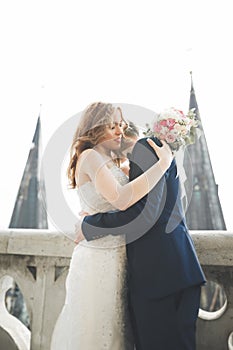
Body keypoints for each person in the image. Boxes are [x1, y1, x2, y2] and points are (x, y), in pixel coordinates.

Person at [50, 102, 173, 350]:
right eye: (112, 125)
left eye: (122, 124)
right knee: (97, 331)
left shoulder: (110, 160)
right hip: (98, 259)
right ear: (95, 127)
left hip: (117, 255)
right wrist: (162, 165)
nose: (120, 130)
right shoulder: (90, 156)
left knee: (116, 331)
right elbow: (122, 198)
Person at [77, 118, 206, 349]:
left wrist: (90, 224)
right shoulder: (154, 152)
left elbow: (144, 215)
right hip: (170, 272)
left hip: (162, 277)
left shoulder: (145, 148)